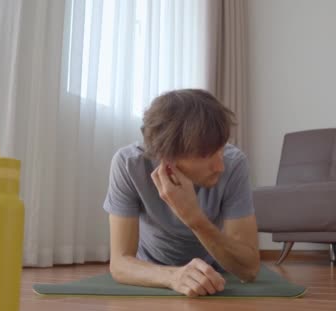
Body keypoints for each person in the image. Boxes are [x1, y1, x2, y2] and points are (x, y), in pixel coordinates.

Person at [104, 89, 260, 297]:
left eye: (221, 149)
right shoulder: (128, 164)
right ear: (167, 160)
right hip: (150, 271)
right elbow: (120, 263)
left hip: (215, 271)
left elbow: (248, 270)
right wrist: (173, 277)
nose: (220, 166)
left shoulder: (234, 164)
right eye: (206, 156)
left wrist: (194, 217)